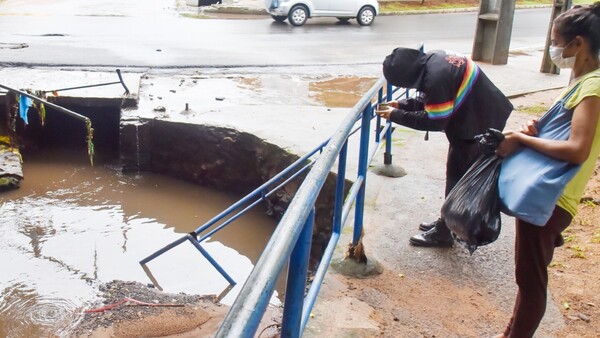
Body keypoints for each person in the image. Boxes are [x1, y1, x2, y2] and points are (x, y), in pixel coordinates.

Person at [493, 3, 600, 337]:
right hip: (554, 197)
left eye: (557, 42)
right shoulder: (586, 82)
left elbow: (577, 150)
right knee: (529, 279)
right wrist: (536, 131)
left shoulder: (593, 86)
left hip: (550, 197)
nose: (555, 50)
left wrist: (521, 142)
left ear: (578, 44)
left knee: (531, 283)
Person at [376, 47, 513, 247]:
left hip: (477, 125)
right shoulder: (434, 59)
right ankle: (447, 222)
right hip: (479, 114)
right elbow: (434, 100)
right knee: (456, 173)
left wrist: (394, 115)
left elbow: (435, 120)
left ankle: (446, 231)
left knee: (458, 177)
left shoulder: (436, 77)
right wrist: (402, 105)